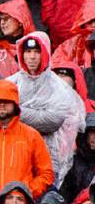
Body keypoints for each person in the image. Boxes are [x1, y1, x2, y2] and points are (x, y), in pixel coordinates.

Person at [9, 31, 87, 184]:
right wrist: (37, 114)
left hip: (49, 159)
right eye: (28, 51)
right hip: (15, 155)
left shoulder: (59, 87)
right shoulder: (11, 83)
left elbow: (54, 120)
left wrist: (16, 112)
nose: (32, 56)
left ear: (45, 52)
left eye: (37, 51)